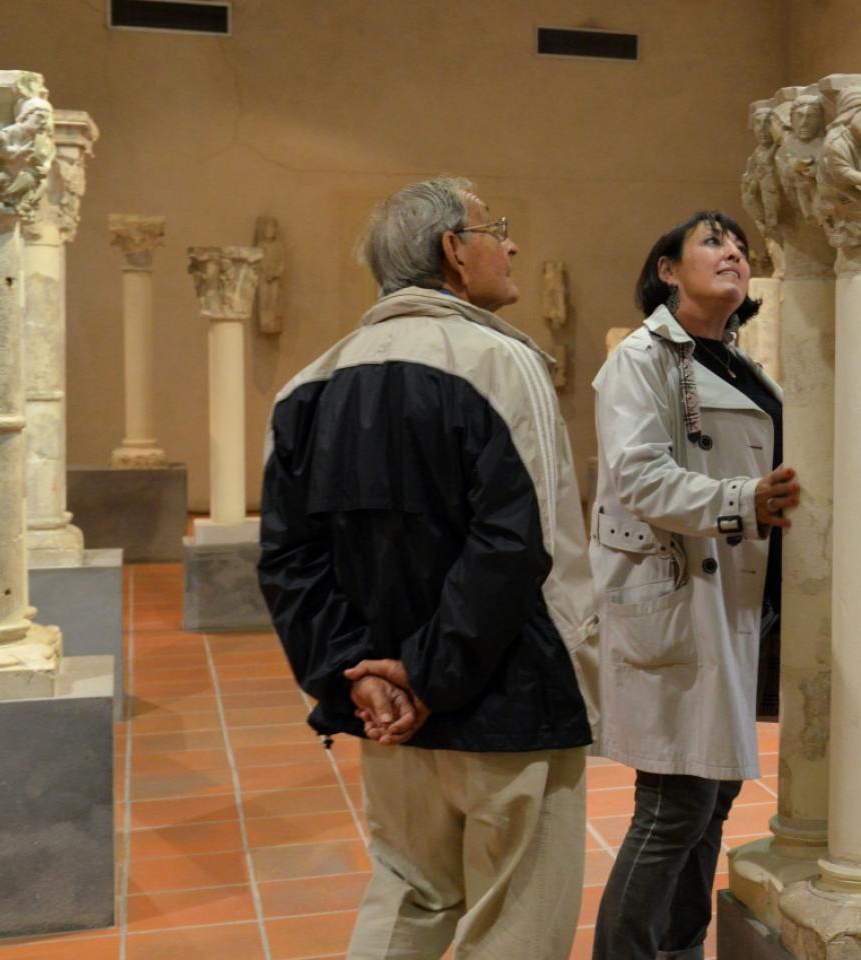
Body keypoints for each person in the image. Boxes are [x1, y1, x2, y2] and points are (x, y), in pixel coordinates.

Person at [259, 176, 599, 960]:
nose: (510, 246)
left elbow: (288, 559)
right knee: (514, 914)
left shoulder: (307, 386)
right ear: (453, 249)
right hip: (506, 694)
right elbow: (520, 545)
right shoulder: (499, 363)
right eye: (496, 228)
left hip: (386, 705)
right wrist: (430, 673)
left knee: (411, 891)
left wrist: (361, 675)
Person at [589, 211, 798, 960]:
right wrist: (743, 500)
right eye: (713, 241)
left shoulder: (741, 363)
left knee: (713, 797)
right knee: (674, 803)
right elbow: (639, 476)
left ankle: (679, 949)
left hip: (741, 597)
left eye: (740, 244)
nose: (734, 252)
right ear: (668, 271)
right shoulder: (642, 359)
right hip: (682, 594)